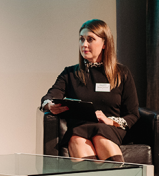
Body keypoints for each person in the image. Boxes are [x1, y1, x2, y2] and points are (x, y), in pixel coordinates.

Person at [40, 19, 140, 162]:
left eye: (90, 39)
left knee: (100, 137)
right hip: (80, 128)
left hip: (110, 128)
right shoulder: (70, 73)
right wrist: (50, 105)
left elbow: (132, 114)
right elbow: (49, 97)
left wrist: (110, 121)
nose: (84, 44)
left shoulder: (121, 73)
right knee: (77, 139)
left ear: (104, 44)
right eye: (81, 39)